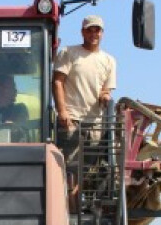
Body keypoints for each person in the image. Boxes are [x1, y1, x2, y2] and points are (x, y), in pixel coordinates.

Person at [53, 14, 116, 165]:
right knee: (68, 167)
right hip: (72, 119)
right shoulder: (68, 52)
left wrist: (105, 95)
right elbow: (57, 82)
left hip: (95, 123)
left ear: (102, 33)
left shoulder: (109, 61)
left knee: (88, 171)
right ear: (82, 32)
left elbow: (106, 90)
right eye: (90, 30)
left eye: (97, 31)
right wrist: (62, 111)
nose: (94, 34)